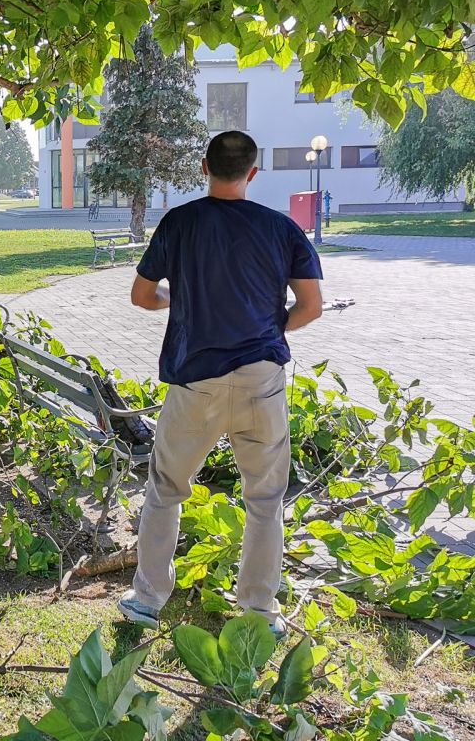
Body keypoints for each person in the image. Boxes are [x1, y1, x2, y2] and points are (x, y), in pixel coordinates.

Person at [118, 130, 324, 636]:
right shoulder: (283, 229)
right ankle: (258, 612)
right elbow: (311, 306)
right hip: (261, 379)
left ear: (204, 166)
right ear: (252, 173)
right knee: (265, 499)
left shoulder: (179, 223)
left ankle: (147, 599)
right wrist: (272, 328)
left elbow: (142, 296)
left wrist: (175, 303)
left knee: (166, 490)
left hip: (196, 383)